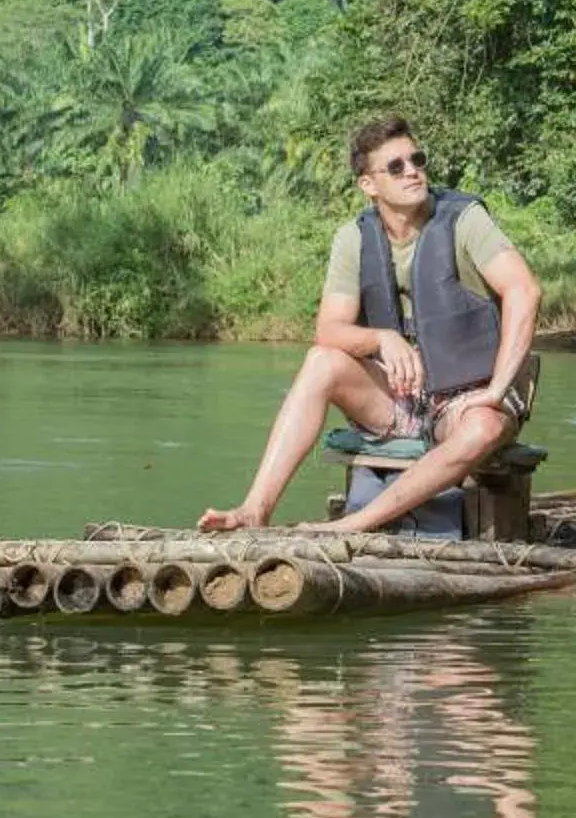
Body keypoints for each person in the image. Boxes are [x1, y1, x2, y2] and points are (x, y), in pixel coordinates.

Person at [200, 116, 541, 534]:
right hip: (400, 399)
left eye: (417, 159)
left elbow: (525, 291)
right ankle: (254, 510)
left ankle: (356, 524)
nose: (412, 170)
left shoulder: (464, 219)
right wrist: (383, 337)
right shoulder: (355, 238)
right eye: (395, 166)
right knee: (321, 361)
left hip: (468, 398)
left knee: (482, 428)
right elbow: (329, 331)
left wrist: (496, 389)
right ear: (368, 185)